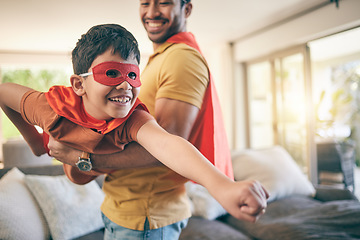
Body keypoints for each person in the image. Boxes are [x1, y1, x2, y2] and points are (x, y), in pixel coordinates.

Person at [44, 1, 269, 239]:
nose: (151, 12)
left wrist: (84, 158)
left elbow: (164, 146)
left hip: (146, 216)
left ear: (187, 9)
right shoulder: (154, 61)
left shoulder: (181, 58)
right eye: (145, 3)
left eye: (164, 2)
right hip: (123, 209)